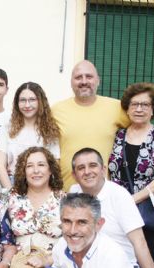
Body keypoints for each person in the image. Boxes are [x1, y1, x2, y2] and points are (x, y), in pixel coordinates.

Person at [70, 148, 154, 268]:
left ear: (103, 169)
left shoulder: (119, 195)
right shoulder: (74, 192)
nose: (87, 171)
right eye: (81, 168)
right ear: (74, 175)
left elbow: (139, 242)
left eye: (93, 165)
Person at [108, 82, 154, 268]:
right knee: (119, 258)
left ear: (153, 110)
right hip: (119, 208)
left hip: (145, 209)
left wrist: (132, 200)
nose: (139, 109)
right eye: (134, 104)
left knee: (147, 259)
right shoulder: (119, 135)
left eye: (145, 105)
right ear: (127, 109)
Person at [52, 60, 129, 191]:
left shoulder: (116, 107)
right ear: (71, 82)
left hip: (104, 192)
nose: (83, 81)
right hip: (67, 190)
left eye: (89, 76)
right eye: (78, 77)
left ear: (98, 80)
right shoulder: (56, 111)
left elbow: (139, 132)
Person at [0, 82, 60, 188]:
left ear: (41, 102)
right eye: (23, 100)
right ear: (17, 103)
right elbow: (0, 165)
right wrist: (11, 193)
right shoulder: (8, 128)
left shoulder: (50, 130)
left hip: (42, 185)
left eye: (32, 100)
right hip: (13, 184)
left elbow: (55, 165)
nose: (27, 105)